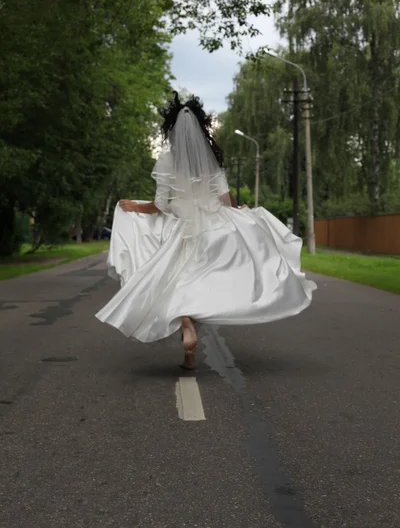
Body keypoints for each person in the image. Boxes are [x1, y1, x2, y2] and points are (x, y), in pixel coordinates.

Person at [96, 93, 316, 369]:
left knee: (179, 282)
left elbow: (160, 206)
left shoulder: (167, 160)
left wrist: (135, 208)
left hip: (180, 229)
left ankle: (185, 323)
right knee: (206, 282)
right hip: (215, 229)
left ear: (172, 129)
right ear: (201, 128)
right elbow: (225, 198)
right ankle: (190, 348)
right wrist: (239, 211)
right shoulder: (211, 158)